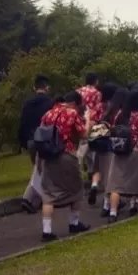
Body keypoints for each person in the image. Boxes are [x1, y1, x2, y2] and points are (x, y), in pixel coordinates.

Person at [38, 91, 90, 242]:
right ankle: (74, 223)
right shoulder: (72, 114)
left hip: (48, 157)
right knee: (76, 188)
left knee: (48, 194)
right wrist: (87, 119)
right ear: (74, 103)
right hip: (66, 154)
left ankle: (46, 231)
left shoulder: (47, 114)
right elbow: (84, 134)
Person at [106, 84, 138, 222]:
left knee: (116, 184)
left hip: (120, 151)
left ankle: (112, 212)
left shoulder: (120, 115)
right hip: (137, 152)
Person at [18, 75, 54, 214]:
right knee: (42, 170)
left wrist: (23, 142)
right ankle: (29, 198)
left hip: (30, 141)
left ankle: (36, 200)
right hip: (44, 140)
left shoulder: (27, 104)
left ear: (34, 88)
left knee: (39, 169)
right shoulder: (50, 103)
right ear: (47, 88)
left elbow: (22, 124)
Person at [88, 84, 125, 217]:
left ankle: (103, 197)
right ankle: (107, 204)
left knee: (101, 172)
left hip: (98, 143)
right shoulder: (116, 108)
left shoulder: (98, 107)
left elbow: (91, 123)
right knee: (112, 176)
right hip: (111, 144)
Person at [77, 73, 103, 179]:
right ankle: (92, 172)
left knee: (81, 145)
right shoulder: (97, 93)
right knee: (92, 149)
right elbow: (98, 108)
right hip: (92, 121)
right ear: (95, 81)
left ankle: (80, 167)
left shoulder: (78, 91)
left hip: (80, 119)